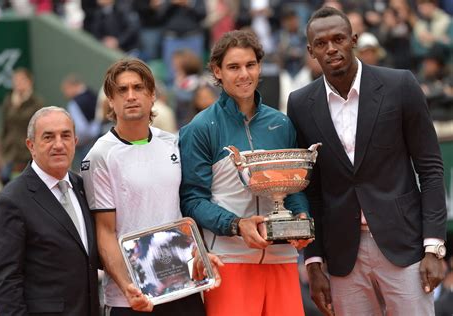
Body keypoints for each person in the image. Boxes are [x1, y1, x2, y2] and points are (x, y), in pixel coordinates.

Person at [287, 7, 447, 315]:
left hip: (404, 243)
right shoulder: (300, 104)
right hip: (343, 254)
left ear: (353, 40)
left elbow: (430, 170)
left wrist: (434, 246)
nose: (331, 48)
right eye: (321, 43)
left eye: (339, 39)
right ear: (310, 51)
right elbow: (310, 190)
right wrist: (314, 261)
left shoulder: (400, 85)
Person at [179, 30, 311, 316]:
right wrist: (237, 225)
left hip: (282, 259)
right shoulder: (200, 128)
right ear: (217, 71)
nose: (244, 74)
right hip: (229, 260)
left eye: (250, 65)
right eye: (234, 67)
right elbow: (192, 200)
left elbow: (293, 188)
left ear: (260, 67)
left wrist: (301, 218)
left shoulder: (281, 123)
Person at [80, 58, 222, 315]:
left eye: (138, 88)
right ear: (111, 100)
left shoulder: (173, 143)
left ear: (152, 95)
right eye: (122, 90)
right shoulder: (99, 156)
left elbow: (187, 209)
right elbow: (105, 232)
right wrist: (127, 287)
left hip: (183, 287)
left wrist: (201, 252)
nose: (131, 96)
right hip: (132, 299)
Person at [0, 106, 100, 315]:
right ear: (31, 145)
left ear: (75, 142)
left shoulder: (83, 187)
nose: (59, 144)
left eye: (65, 136)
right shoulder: (10, 201)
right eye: (48, 137)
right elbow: (5, 282)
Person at [0, 68, 43, 185]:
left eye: (22, 80)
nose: (18, 83)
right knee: (5, 180)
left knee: (27, 184)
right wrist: (3, 147)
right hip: (10, 152)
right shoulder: (8, 101)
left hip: (28, 152)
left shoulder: (36, 102)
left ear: (30, 82)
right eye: (16, 80)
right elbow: (5, 126)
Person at [61, 74, 100, 170]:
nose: (65, 94)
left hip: (85, 145)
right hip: (99, 139)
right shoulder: (93, 95)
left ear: (72, 86)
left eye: (66, 90)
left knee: (87, 172)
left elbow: (81, 130)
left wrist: (75, 142)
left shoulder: (74, 103)